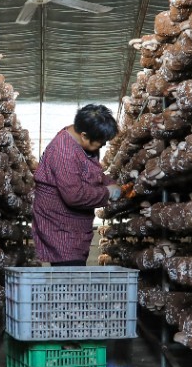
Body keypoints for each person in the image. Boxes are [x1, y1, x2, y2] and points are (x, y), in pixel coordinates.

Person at [32, 103, 127, 266]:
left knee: (74, 272)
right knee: (69, 274)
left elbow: (90, 171)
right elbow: (74, 196)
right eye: (100, 142)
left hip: (74, 225)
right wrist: (107, 193)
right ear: (84, 135)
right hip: (60, 225)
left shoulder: (82, 138)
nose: (103, 145)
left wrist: (110, 183)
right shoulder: (64, 152)